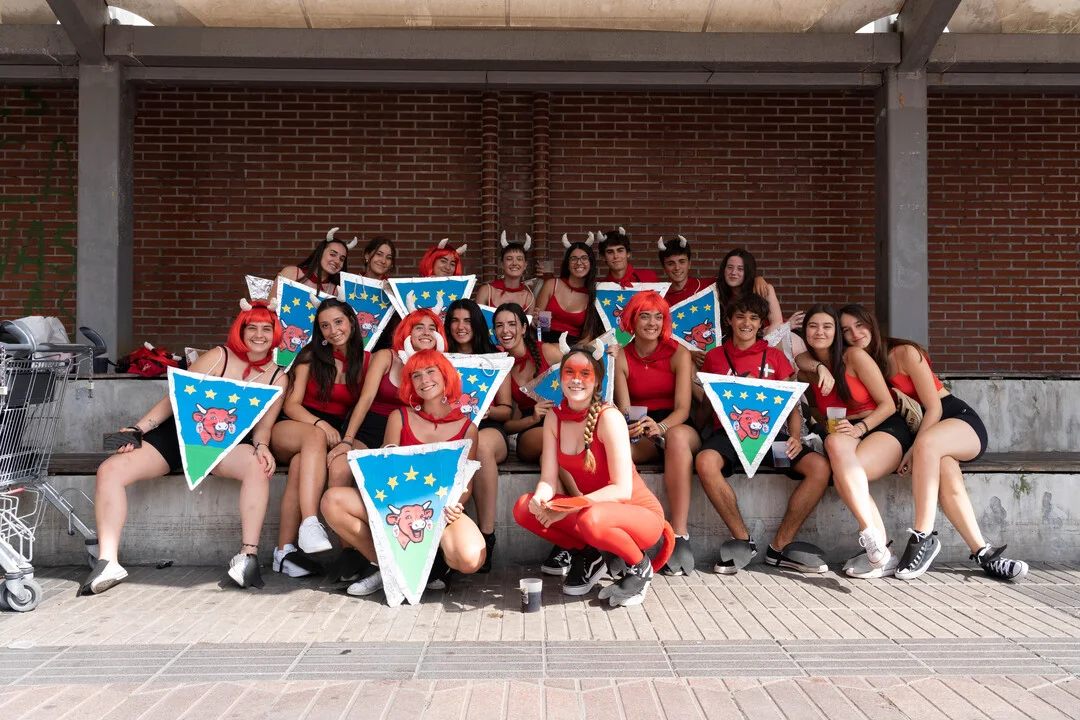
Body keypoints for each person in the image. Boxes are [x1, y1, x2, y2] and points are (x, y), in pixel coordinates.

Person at [84, 297, 288, 594]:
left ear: (275, 333)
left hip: (227, 445)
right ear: (241, 331)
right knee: (110, 470)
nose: (259, 335)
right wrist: (138, 429)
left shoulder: (278, 377)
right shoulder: (219, 356)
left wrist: (263, 446)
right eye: (252, 328)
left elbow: (263, 428)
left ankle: (247, 557)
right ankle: (108, 561)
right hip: (177, 434)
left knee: (259, 466)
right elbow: (175, 398)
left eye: (266, 329)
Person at [837, 304, 1028, 581]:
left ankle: (922, 536)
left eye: (860, 325)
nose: (855, 334)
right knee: (947, 470)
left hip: (956, 419)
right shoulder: (864, 364)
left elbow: (934, 407)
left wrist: (913, 450)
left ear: (872, 324)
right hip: (926, 435)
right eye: (846, 330)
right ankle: (984, 553)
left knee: (928, 446)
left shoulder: (904, 352)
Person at [513, 343, 674, 607]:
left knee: (590, 519)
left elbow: (622, 490)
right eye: (569, 372)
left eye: (585, 373)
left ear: (597, 380)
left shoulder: (609, 418)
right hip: (593, 511)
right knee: (523, 508)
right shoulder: (554, 417)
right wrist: (541, 498)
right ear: (560, 377)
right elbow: (549, 479)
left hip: (640, 518)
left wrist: (568, 508)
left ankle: (640, 567)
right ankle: (588, 556)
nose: (576, 380)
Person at [321, 349, 486, 598]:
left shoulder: (468, 428)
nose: (424, 380)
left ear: (446, 376)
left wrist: (454, 506)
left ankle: (426, 567)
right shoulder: (399, 417)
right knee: (332, 500)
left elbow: (466, 486)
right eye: (416, 375)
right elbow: (387, 470)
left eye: (430, 372)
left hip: (440, 510)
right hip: (397, 507)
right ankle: (391, 568)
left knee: (470, 559)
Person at [694, 294, 833, 575]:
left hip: (771, 435)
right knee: (705, 461)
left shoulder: (777, 357)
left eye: (754, 318)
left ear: (760, 324)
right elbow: (708, 405)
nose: (746, 323)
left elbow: (793, 404)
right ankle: (742, 540)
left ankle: (779, 548)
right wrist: (692, 433)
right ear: (729, 320)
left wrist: (795, 436)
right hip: (727, 434)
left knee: (819, 467)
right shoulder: (714, 357)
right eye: (740, 316)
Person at [800, 304, 912, 578]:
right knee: (833, 445)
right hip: (846, 431)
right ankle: (879, 547)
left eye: (827, 326)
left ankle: (876, 541)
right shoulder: (810, 367)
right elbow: (799, 361)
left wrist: (861, 427)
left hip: (882, 425)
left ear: (836, 333)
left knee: (845, 474)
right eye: (813, 326)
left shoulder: (854, 356)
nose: (819, 332)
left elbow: (887, 404)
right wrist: (819, 368)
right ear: (805, 332)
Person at [270, 297, 367, 571]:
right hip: (293, 425)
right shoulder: (310, 356)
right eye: (325, 326)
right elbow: (291, 405)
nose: (333, 330)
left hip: (330, 436)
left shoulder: (363, 361)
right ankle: (310, 523)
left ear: (351, 322)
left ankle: (283, 552)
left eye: (338, 322)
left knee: (301, 465)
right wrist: (321, 425)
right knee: (313, 437)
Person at [611, 291, 699, 575]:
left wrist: (661, 427)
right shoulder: (621, 356)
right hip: (641, 428)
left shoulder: (679, 353)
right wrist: (635, 428)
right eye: (645, 316)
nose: (652, 323)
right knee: (618, 451)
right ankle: (622, 538)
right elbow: (625, 410)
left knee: (677, 438)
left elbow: (683, 408)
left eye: (658, 317)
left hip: (676, 425)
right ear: (632, 320)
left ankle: (680, 535)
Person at [444, 298, 513, 572]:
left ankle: (487, 535)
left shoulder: (496, 357)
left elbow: (507, 410)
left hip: (489, 430)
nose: (461, 327)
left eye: (467, 321)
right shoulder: (440, 358)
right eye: (455, 320)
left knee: (481, 446)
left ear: (477, 325)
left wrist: (487, 412)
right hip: (451, 432)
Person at [534, 234, 603, 344]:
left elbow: (587, 337)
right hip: (546, 342)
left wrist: (575, 351)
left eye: (584, 258)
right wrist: (536, 322)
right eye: (574, 259)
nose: (579, 262)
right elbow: (541, 326)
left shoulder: (592, 295)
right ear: (567, 264)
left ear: (591, 264)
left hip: (572, 347)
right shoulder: (552, 285)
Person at [716, 248, 795, 336]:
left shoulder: (762, 288)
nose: (733, 272)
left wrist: (763, 343)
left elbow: (777, 323)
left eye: (740, 269)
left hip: (773, 336)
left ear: (748, 271)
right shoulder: (716, 290)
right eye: (730, 267)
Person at [275, 226, 356, 296]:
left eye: (342, 259)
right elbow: (270, 304)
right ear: (320, 253)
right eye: (332, 254)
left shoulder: (338, 290)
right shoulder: (291, 273)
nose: (337, 261)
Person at [475, 231, 536, 313]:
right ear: (502, 264)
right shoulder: (486, 291)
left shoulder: (529, 298)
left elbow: (529, 321)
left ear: (525, 265)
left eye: (519, 259)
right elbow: (477, 319)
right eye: (509, 259)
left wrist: (535, 320)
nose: (514, 263)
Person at [656, 235, 708, 307]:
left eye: (682, 262)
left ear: (689, 263)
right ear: (663, 267)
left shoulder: (708, 287)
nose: (677, 268)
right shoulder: (659, 297)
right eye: (671, 263)